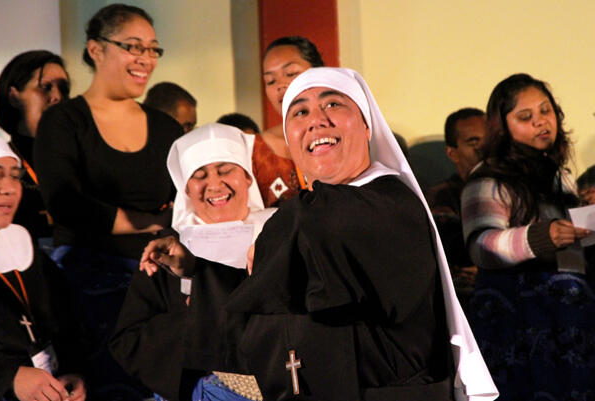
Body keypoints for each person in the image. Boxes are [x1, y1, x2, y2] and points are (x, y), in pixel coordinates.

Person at [141, 68, 498, 401]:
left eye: (332, 103)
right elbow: (280, 292)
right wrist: (198, 269)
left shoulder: (388, 202)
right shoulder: (308, 215)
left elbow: (313, 240)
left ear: (366, 125)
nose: (316, 120)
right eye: (299, 113)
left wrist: (273, 235)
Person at [34, 4, 182, 398]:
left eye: (153, 49)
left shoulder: (165, 127)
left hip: (157, 285)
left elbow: (182, 205)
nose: (146, 59)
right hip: (85, 286)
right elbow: (67, 204)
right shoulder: (64, 121)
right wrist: (150, 222)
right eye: (133, 46)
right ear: (96, 49)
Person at [110, 123, 275, 401]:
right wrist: (197, 316)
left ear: (247, 177)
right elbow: (128, 342)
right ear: (185, 189)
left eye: (225, 170)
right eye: (199, 176)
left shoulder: (278, 229)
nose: (214, 184)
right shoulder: (166, 250)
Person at [461, 73, 595, 401]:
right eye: (525, 117)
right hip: (517, 322)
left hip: (564, 320)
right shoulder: (489, 178)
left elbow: (571, 251)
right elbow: (481, 246)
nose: (540, 122)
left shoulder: (558, 175)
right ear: (503, 127)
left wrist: (586, 217)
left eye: (545, 111)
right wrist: (540, 237)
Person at [0, 135, 86, 401]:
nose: (9, 188)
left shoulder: (23, 245)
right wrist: (7, 378)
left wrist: (74, 373)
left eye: (15, 176)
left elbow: (66, 322)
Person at [0, 50, 70, 244]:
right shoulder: (4, 161)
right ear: (13, 97)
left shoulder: (79, 160)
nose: (57, 97)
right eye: (45, 87)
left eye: (63, 89)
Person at [254, 36, 324, 207]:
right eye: (270, 80)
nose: (280, 85)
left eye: (291, 73)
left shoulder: (343, 132)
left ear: (319, 73)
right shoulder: (255, 150)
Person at [427, 108, 486, 309]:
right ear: (452, 153)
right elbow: (456, 257)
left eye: (489, 139)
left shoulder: (512, 190)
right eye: (473, 142)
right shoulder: (439, 197)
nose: (484, 148)